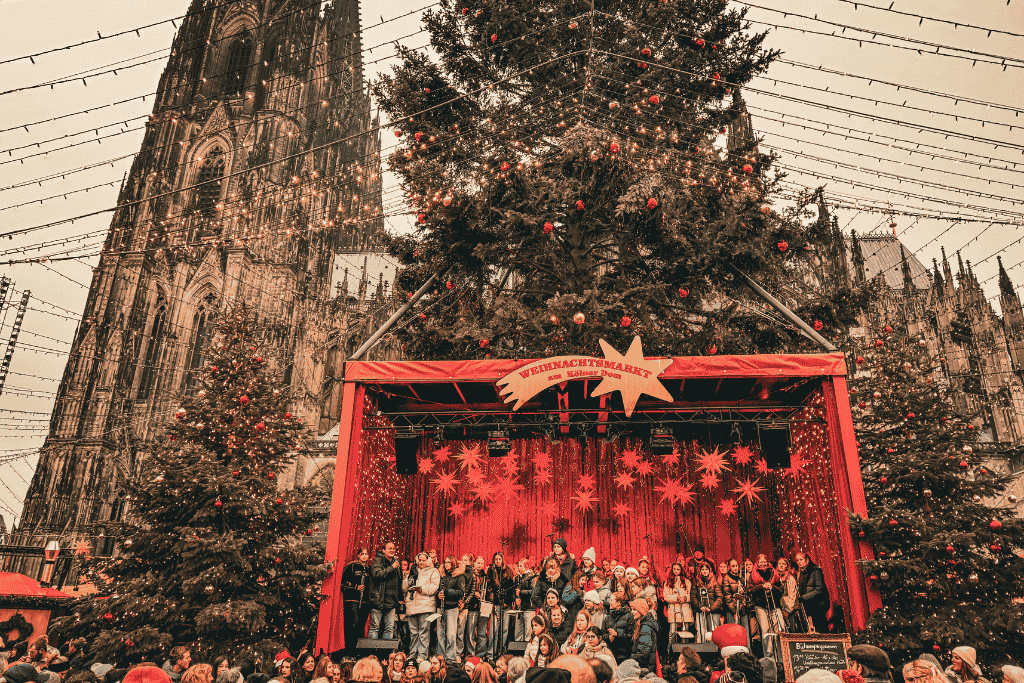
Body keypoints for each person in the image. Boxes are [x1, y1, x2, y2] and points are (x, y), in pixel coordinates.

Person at [404, 552, 440, 661]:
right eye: (419, 560)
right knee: (413, 633)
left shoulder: (433, 571)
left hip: (426, 607)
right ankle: (412, 654)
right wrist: (410, 577)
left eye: (424, 560)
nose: (421, 562)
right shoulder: (413, 571)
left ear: (428, 561)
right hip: (412, 606)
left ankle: (422, 656)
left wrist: (422, 589)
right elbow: (404, 587)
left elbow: (434, 586)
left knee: (423, 633)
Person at [341, 548, 373, 656]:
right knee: (352, 626)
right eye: (362, 554)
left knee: (360, 627)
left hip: (364, 602)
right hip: (352, 600)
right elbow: (343, 582)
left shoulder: (369, 568)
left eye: (366, 554)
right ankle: (350, 651)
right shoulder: (351, 566)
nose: (364, 556)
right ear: (358, 555)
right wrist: (355, 587)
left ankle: (359, 652)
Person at [369, 542, 403, 640]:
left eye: (393, 548)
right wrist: (391, 568)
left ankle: (387, 654)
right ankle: (373, 654)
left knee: (389, 628)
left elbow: (399, 581)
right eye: (389, 548)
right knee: (375, 627)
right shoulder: (377, 561)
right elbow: (377, 575)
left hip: (392, 601)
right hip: (378, 599)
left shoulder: (396, 562)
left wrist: (400, 598)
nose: (392, 550)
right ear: (384, 550)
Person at [487, 552, 517, 658]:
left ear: (503, 560)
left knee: (504, 630)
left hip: (506, 604)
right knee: (494, 630)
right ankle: (491, 653)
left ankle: (501, 652)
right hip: (496, 604)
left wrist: (507, 602)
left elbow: (511, 588)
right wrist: (493, 603)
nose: (498, 561)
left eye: (499, 559)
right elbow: (489, 588)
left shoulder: (508, 570)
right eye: (496, 559)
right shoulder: (491, 570)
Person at [438, 555, 467, 661]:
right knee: (440, 634)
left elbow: (461, 592)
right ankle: (440, 657)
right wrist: (438, 594)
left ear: (453, 563)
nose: (446, 564)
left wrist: (447, 592)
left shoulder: (459, 576)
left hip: (452, 608)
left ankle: (450, 658)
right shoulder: (442, 575)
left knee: (450, 634)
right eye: (445, 562)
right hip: (440, 607)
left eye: (448, 562)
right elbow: (437, 589)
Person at [794, 553, 829, 634]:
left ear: (807, 560)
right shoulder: (800, 573)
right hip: (807, 606)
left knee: (821, 631)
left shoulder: (816, 571)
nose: (799, 562)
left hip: (818, 605)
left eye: (801, 560)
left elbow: (819, 589)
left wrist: (803, 597)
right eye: (797, 560)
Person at [690, 563, 723, 643]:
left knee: (713, 633)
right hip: (701, 611)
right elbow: (693, 596)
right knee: (702, 633)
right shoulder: (696, 582)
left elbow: (719, 598)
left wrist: (711, 608)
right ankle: (702, 653)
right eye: (702, 569)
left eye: (706, 569)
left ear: (709, 570)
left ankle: (715, 652)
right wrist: (700, 606)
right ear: (700, 571)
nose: (704, 571)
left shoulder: (714, 582)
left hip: (713, 612)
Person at [465, 556, 490, 657]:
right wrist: (474, 593)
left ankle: (480, 655)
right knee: (470, 632)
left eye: (481, 563)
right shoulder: (470, 574)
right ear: (474, 563)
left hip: (483, 607)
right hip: (473, 606)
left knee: (482, 633)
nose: (480, 565)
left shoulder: (485, 576)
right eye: (478, 563)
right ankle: (470, 654)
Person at [664, 562, 694, 645]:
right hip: (673, 609)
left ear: (681, 570)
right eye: (674, 569)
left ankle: (685, 652)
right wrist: (676, 598)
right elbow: (666, 596)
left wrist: (685, 598)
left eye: (678, 569)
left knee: (685, 633)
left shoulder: (687, 582)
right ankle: (671, 652)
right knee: (673, 632)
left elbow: (691, 594)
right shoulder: (668, 582)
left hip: (685, 609)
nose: (676, 571)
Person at [629, 598, 658, 673]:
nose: (632, 612)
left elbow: (643, 651)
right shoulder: (640, 624)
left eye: (634, 610)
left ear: (641, 611)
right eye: (631, 609)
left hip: (644, 668)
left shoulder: (645, 627)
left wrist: (631, 661)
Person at [605, 592, 635, 664]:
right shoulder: (608, 617)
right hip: (610, 654)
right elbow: (603, 634)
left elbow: (631, 636)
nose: (609, 602)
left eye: (611, 600)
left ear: (618, 603)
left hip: (624, 655)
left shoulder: (629, 616)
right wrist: (608, 637)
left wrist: (617, 634)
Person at [514, 560, 538, 640]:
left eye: (521, 566)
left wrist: (520, 593)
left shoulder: (531, 577)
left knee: (528, 633)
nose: (519, 568)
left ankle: (527, 651)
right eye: (518, 566)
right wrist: (516, 598)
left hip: (529, 608)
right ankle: (518, 651)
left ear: (526, 567)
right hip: (520, 608)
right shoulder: (518, 578)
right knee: (518, 632)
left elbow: (533, 591)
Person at [775, 558, 801, 631]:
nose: (781, 565)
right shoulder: (774, 576)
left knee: (789, 629)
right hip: (776, 606)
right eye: (780, 563)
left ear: (787, 566)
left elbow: (793, 595)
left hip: (787, 607)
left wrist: (788, 610)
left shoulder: (790, 578)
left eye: (784, 564)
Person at [720, 559, 746, 627]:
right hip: (731, 610)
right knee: (733, 631)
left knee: (744, 631)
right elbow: (727, 597)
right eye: (733, 566)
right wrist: (734, 612)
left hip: (742, 608)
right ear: (729, 567)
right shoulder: (726, 578)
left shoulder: (740, 577)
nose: (735, 568)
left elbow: (746, 591)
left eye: (736, 566)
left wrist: (743, 591)